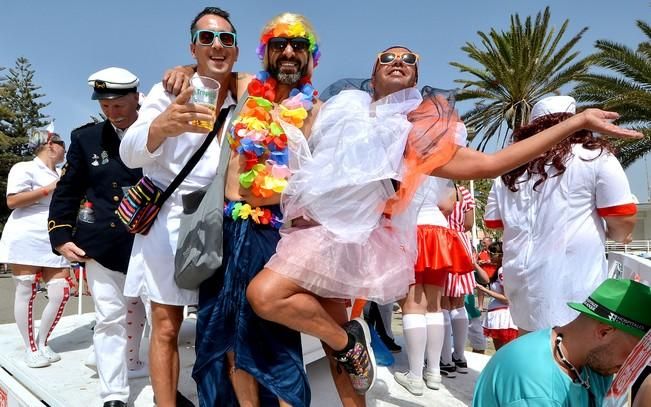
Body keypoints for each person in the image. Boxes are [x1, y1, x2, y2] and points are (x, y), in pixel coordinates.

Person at [246, 43, 642, 399]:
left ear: (416, 77)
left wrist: (574, 123)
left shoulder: (419, 133)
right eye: (388, 57)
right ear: (373, 73)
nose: (398, 62)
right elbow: (286, 127)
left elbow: (489, 164)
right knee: (312, 330)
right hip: (312, 232)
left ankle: (346, 343)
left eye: (408, 60)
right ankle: (347, 342)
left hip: (351, 241)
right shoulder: (338, 107)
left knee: (271, 301)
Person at [191, 12, 320, 407]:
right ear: (266, 53)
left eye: (299, 46)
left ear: (311, 56)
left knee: (275, 337)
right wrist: (180, 68)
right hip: (228, 228)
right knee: (228, 334)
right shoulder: (248, 89)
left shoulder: (316, 109)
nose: (288, 53)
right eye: (279, 45)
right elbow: (209, 65)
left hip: (274, 235)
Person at [119, 7, 239, 407]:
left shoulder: (246, 95)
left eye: (226, 38)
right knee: (167, 326)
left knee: (219, 325)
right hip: (169, 217)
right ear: (193, 47)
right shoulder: (168, 90)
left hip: (220, 221)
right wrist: (162, 126)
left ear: (236, 51)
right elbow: (129, 152)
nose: (217, 45)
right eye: (207, 38)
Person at [484, 95, 638, 335]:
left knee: (531, 349)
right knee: (569, 357)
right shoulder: (595, 157)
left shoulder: (508, 170)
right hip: (575, 280)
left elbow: (494, 222)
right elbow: (622, 217)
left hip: (520, 279)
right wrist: (618, 235)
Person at [48, 67, 147, 407]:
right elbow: (68, 188)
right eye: (104, 105)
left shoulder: (161, 131)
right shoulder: (87, 138)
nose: (111, 112)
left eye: (118, 103)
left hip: (150, 242)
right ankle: (114, 395)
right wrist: (60, 234)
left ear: (136, 97)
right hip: (103, 243)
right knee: (109, 319)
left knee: (163, 320)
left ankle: (166, 388)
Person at [473, 278, 651, 407]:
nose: (633, 366)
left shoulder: (594, 363)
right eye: (635, 353)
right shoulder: (536, 385)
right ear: (604, 331)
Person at [0, 129, 69, 368]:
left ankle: (43, 341)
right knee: (26, 290)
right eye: (62, 143)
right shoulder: (23, 168)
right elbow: (12, 201)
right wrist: (50, 188)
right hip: (26, 234)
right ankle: (30, 348)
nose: (65, 148)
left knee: (61, 292)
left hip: (54, 235)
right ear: (50, 143)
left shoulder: (62, 171)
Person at [475, 242, 517, 351]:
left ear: (500, 255)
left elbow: (506, 299)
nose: (489, 256)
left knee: (503, 353)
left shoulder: (502, 270)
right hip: (499, 316)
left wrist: (484, 290)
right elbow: (487, 280)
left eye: (491, 253)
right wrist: (475, 265)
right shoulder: (500, 269)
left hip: (502, 318)